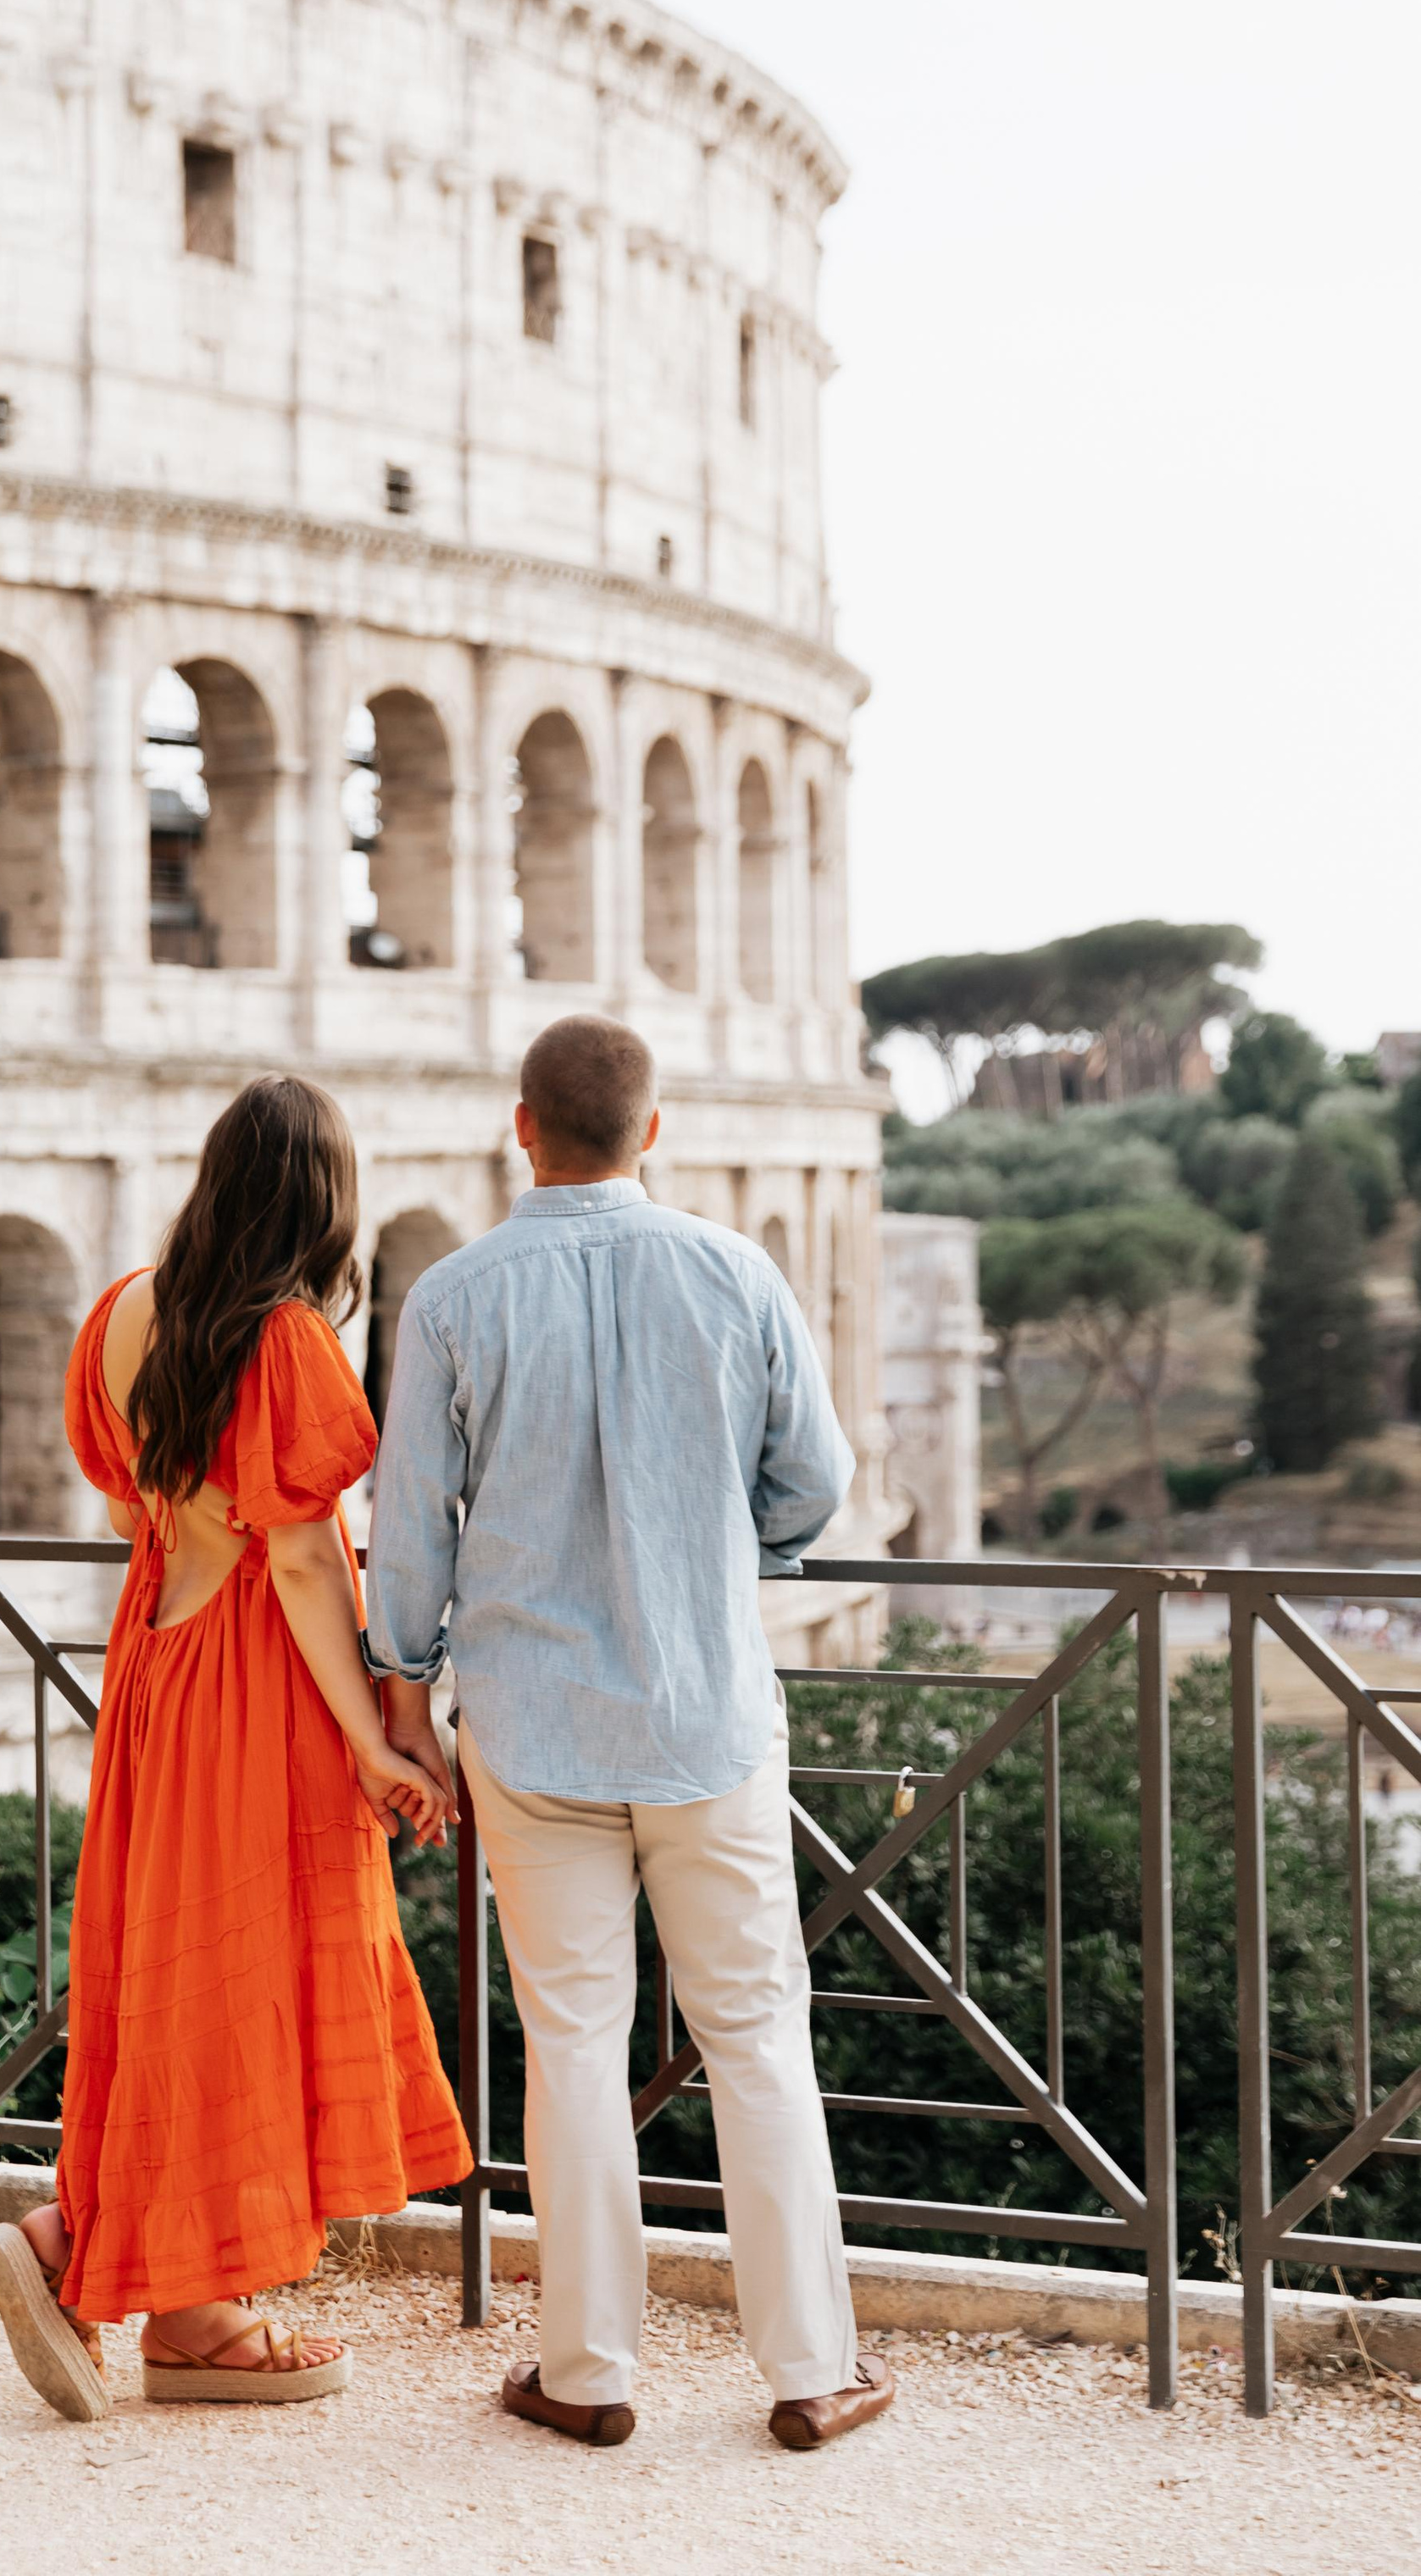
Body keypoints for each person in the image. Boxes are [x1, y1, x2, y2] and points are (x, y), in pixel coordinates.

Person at [363, 1012, 894, 2455]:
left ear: (519, 1127)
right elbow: (814, 1481)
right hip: (708, 1713)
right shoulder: (734, 1271)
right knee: (759, 2039)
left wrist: (402, 1695)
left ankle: (587, 2375)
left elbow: (406, 1532)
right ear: (651, 1133)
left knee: (575, 2043)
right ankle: (810, 2373)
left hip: (530, 1728)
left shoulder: (455, 1299)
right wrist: (729, 1556)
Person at [0, 1074, 470, 2421]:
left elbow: (136, 1485)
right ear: (324, 1199)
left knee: (175, 1968)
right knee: (242, 1977)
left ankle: (120, 2264)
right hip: (254, 1681)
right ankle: (173, 2302)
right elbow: (305, 1559)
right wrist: (377, 1741)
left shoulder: (123, 1311)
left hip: (156, 1664)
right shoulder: (288, 1335)